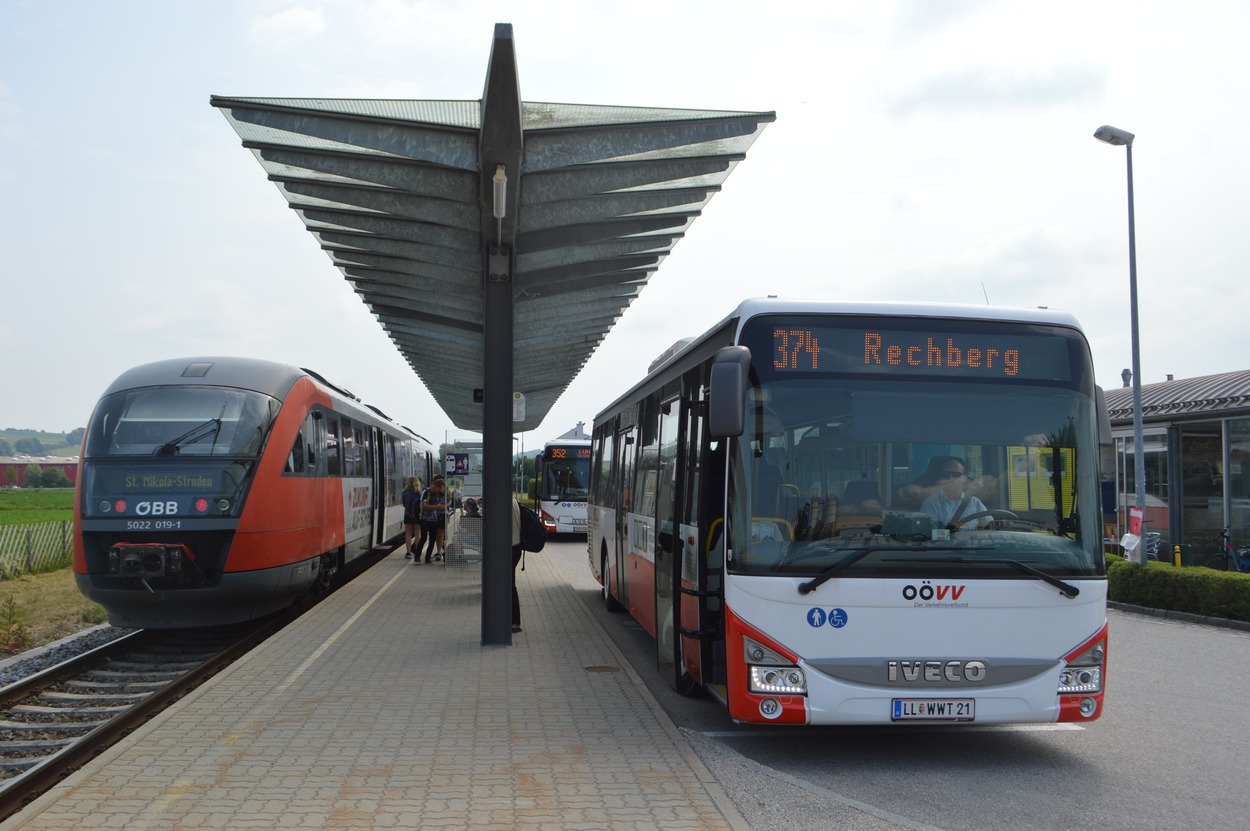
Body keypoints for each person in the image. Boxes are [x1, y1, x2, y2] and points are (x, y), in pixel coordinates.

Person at [919, 457, 989, 530]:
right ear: (941, 477)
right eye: (946, 474)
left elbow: (990, 525)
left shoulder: (975, 502)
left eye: (956, 474)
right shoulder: (930, 503)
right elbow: (928, 532)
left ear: (964, 478)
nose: (951, 478)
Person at [418, 476, 448, 563]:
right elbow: (423, 506)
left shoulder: (438, 494)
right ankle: (417, 556)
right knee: (423, 538)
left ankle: (427, 558)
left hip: (434, 519)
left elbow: (448, 500)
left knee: (432, 539)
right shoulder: (426, 492)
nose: (440, 490)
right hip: (424, 518)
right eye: (440, 488)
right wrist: (437, 506)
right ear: (435, 486)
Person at [401, 476, 422, 558]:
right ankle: (417, 551)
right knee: (417, 534)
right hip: (417, 515)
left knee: (408, 534)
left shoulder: (405, 492)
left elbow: (404, 504)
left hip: (408, 514)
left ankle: (408, 552)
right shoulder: (420, 493)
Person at [510, 497, 523, 633]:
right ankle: (515, 622)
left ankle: (513, 622)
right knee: (511, 585)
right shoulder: (513, 500)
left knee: (508, 586)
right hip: (516, 547)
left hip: (509, 547)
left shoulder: (503, 501)